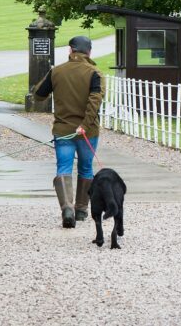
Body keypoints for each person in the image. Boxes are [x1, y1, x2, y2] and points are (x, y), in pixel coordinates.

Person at [32, 35, 103, 228]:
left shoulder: (57, 72)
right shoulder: (94, 73)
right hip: (88, 131)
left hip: (63, 129)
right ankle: (81, 209)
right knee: (86, 168)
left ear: (70, 51)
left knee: (63, 168)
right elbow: (94, 102)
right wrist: (85, 125)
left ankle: (67, 208)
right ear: (89, 52)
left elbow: (38, 96)